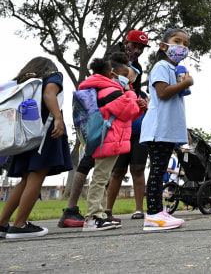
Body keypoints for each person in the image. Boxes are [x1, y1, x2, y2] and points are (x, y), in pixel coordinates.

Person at [0, 58, 72, 239]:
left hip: (24, 133)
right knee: (36, 176)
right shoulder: (53, 76)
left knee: (25, 179)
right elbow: (50, 94)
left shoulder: (24, 83)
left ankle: (2, 223)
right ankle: (19, 225)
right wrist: (58, 118)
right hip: (45, 131)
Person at [81, 53, 142, 232]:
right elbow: (127, 110)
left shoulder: (104, 89)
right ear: (112, 74)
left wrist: (137, 105)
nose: (126, 78)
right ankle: (92, 217)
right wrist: (131, 94)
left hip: (107, 138)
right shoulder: (111, 91)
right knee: (100, 178)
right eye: (124, 74)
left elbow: (127, 114)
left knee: (103, 177)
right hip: (108, 139)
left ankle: (100, 215)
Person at [140, 28, 194, 231]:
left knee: (160, 169)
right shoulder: (161, 66)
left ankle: (158, 211)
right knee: (157, 171)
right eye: (177, 41)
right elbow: (162, 93)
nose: (182, 47)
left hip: (167, 129)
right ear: (163, 46)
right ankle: (153, 214)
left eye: (186, 44)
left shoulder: (174, 70)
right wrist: (186, 83)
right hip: (158, 128)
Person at [103, 29, 150, 222]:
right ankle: (107, 210)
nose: (137, 50)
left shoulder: (137, 65)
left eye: (141, 48)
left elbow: (136, 92)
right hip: (117, 121)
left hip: (136, 123)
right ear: (125, 43)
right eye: (134, 46)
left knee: (138, 167)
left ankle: (139, 209)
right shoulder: (111, 56)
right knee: (117, 170)